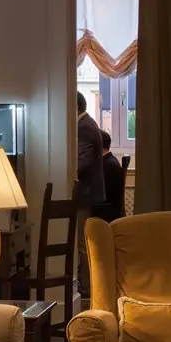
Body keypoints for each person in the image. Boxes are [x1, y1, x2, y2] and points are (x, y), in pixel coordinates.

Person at [75, 91, 105, 298]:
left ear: (75, 107)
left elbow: (83, 164)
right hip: (89, 193)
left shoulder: (83, 127)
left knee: (82, 244)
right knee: (84, 242)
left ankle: (86, 288)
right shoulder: (88, 123)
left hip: (84, 194)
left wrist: (65, 167)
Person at [94, 130, 125, 223]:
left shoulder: (106, 165)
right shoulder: (110, 160)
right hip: (111, 210)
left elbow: (99, 194)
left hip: (106, 213)